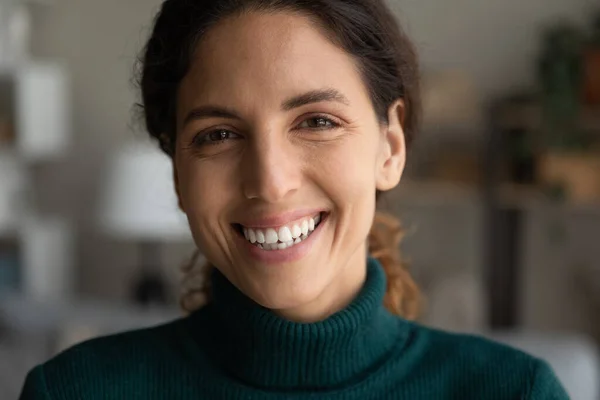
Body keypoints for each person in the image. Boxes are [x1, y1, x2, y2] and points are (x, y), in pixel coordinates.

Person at [20, 0, 569, 399]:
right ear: (179, 176)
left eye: (317, 122)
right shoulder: (74, 390)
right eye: (218, 134)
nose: (271, 181)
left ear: (391, 147)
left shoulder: (514, 392)